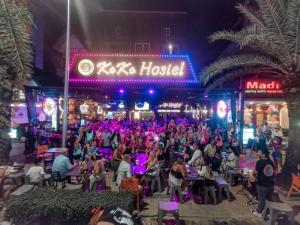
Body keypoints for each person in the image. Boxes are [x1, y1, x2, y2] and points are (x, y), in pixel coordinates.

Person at [251, 150, 275, 217]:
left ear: (263, 154)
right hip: (271, 184)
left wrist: (253, 173)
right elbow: (273, 171)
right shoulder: (270, 162)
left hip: (262, 184)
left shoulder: (259, 162)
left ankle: (259, 212)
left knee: (261, 199)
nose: (257, 153)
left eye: (259, 152)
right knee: (269, 199)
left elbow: (255, 173)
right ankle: (268, 212)